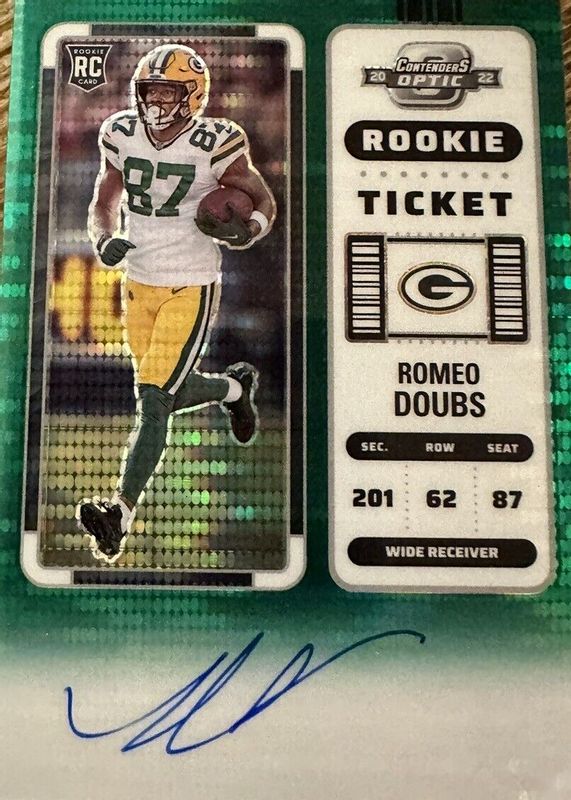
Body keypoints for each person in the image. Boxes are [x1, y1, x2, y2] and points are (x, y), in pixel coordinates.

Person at [77, 43, 276, 564]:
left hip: (190, 283)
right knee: (166, 390)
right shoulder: (119, 131)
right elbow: (103, 200)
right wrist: (103, 238)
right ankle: (234, 388)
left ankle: (119, 513)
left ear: (193, 95)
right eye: (150, 91)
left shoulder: (217, 141)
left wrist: (248, 229)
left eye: (167, 92)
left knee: (153, 400)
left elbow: (263, 200)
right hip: (138, 281)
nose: (156, 102)